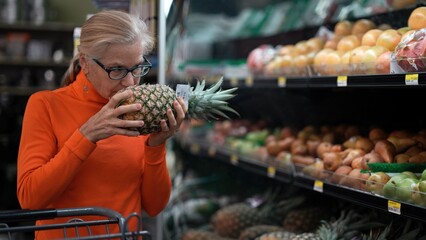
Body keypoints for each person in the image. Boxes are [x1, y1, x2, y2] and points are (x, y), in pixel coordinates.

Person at [16, 10, 186, 239]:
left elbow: (154, 207)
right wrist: (87, 134)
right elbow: (30, 198)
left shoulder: (141, 110)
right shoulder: (45, 105)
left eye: (136, 68)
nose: (129, 82)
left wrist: (156, 146)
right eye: (116, 69)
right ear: (85, 62)